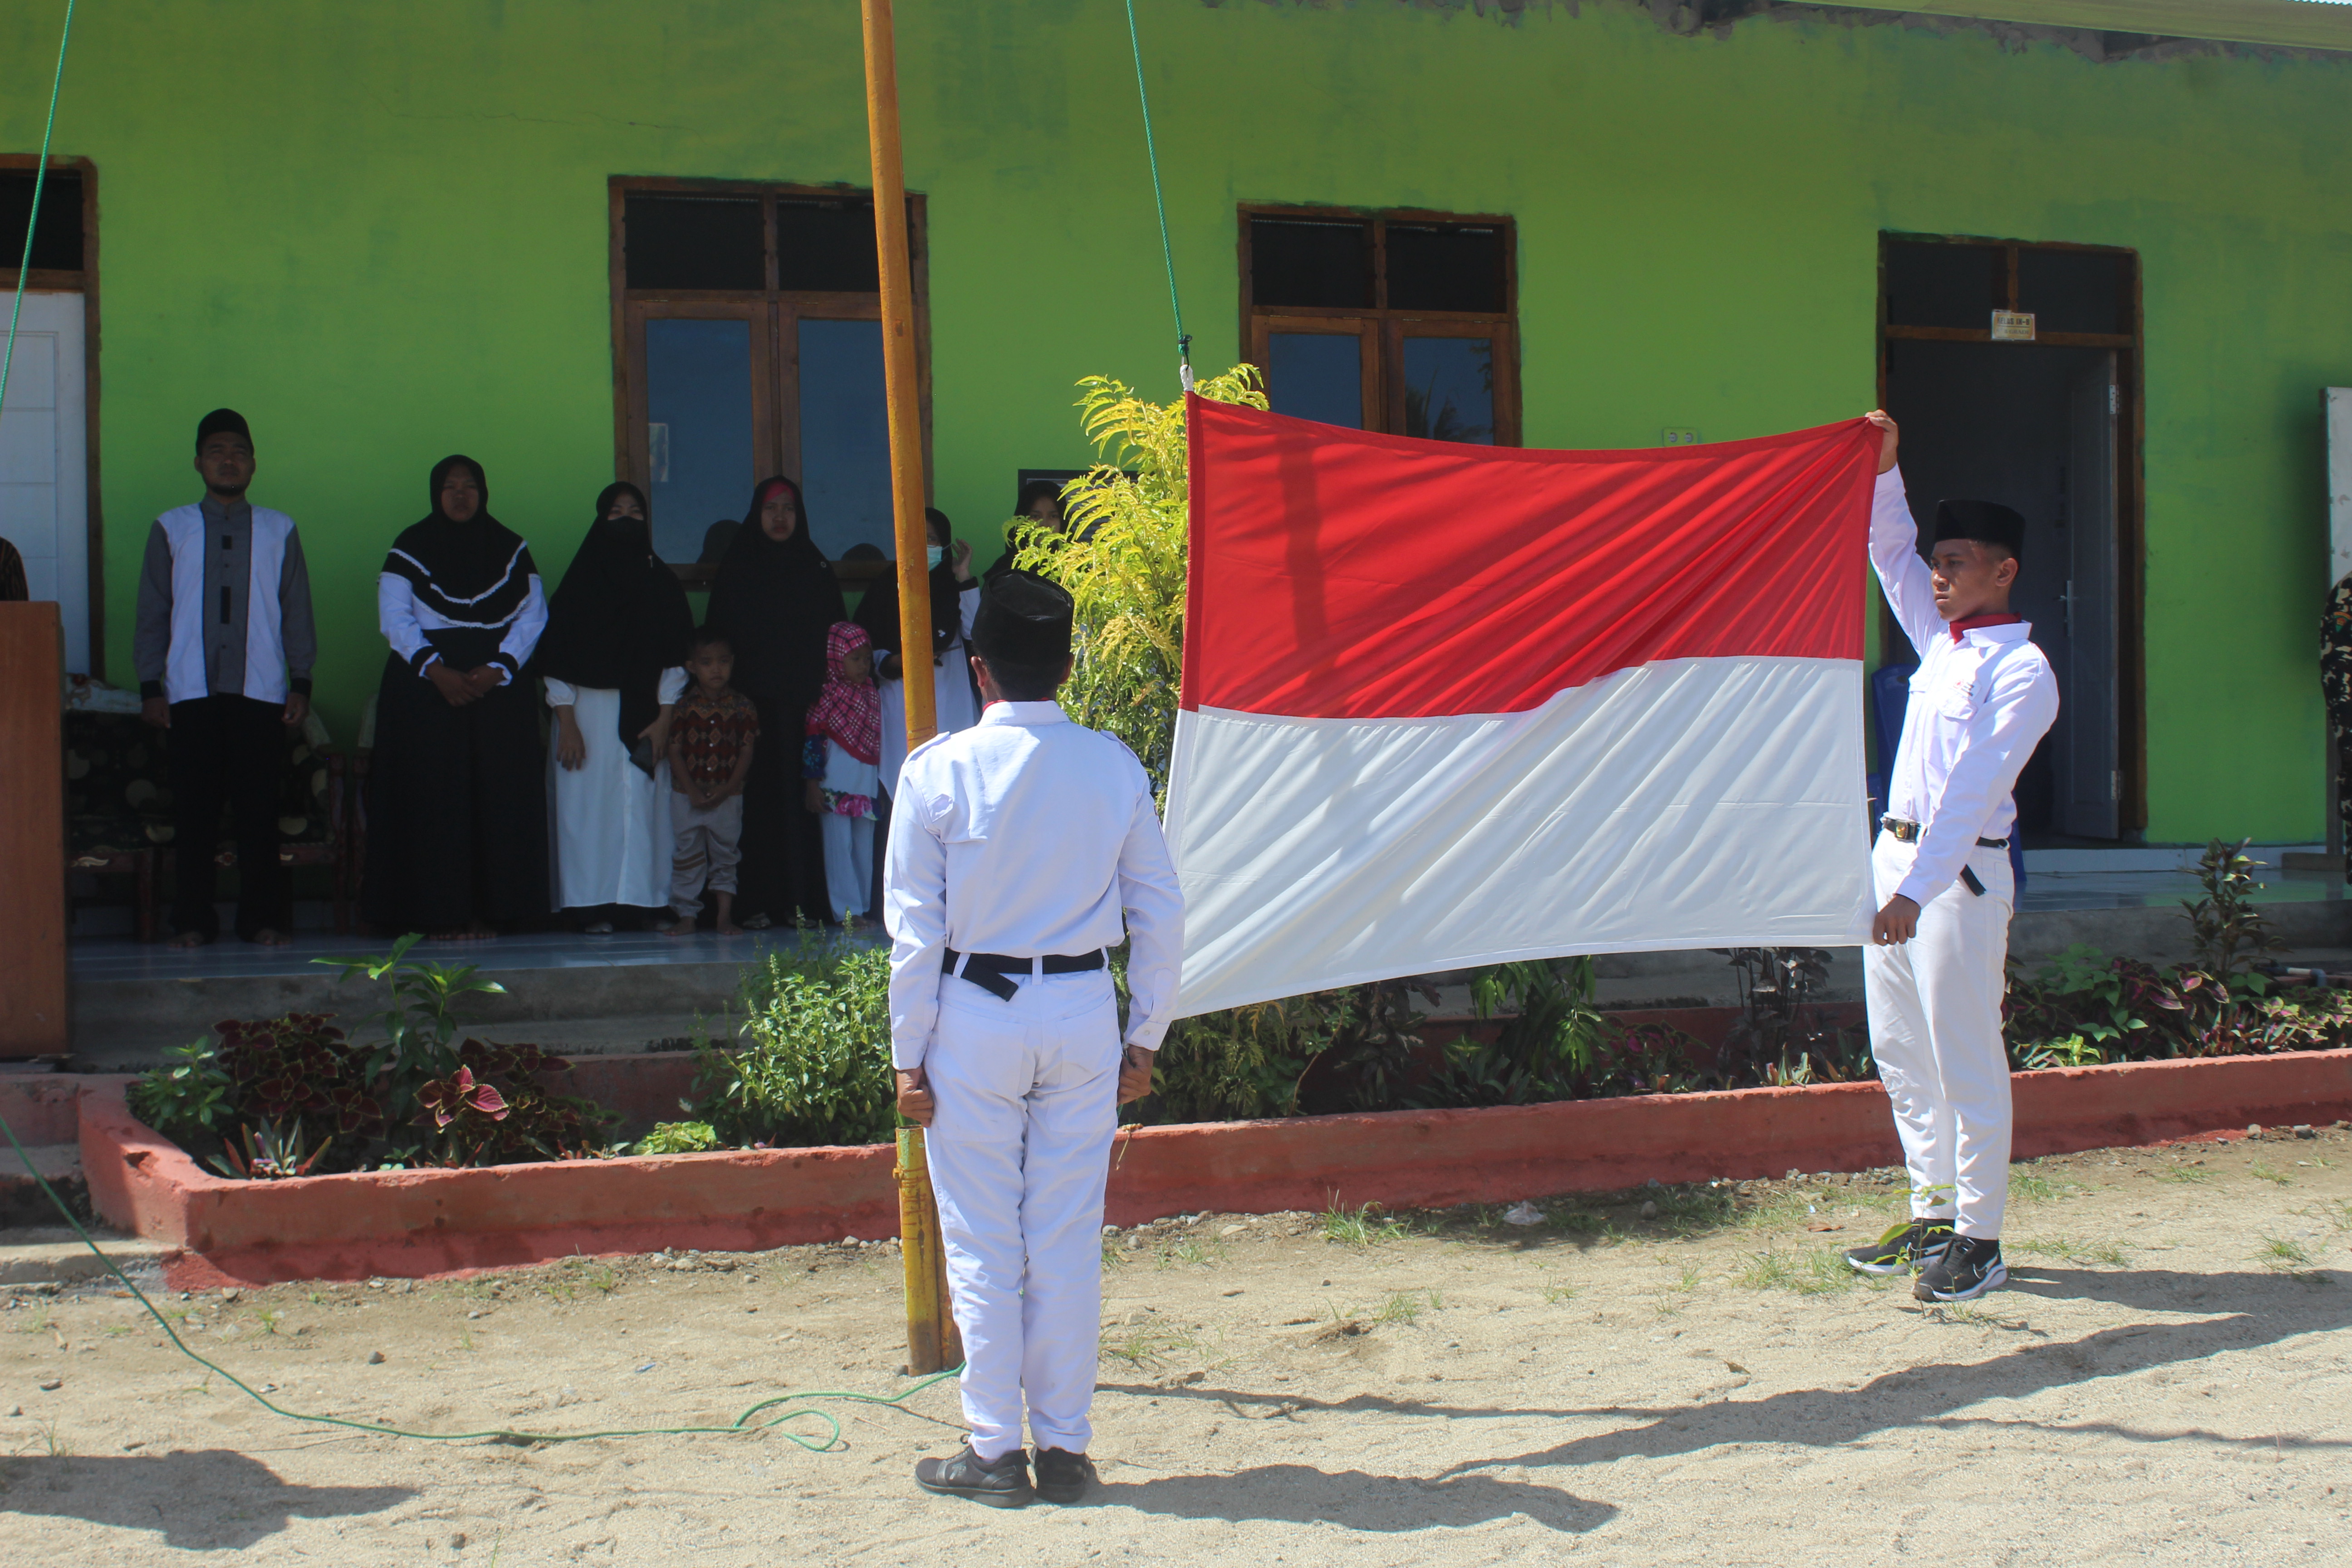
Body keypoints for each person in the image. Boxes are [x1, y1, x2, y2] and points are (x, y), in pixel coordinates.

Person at [885, 569, 1183, 1509]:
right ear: (1067, 666)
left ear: (977, 668)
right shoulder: (1112, 765)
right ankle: (1063, 1450)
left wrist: (905, 1055)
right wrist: (1146, 1033)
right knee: (1064, 1238)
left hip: (975, 1012)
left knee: (983, 1240)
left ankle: (992, 1450)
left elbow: (914, 934)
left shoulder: (937, 770)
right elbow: (1160, 909)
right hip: (1085, 1007)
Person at [1844, 410, 2058, 1303]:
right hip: (1894, 863)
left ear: (2002, 571)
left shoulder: (2022, 670)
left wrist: (1916, 890)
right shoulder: (1940, 644)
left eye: (1956, 563)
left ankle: (1980, 1237)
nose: (1936, 577)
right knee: (1901, 1051)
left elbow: (1972, 790)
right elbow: (1886, 549)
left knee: (1964, 1055)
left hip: (1958, 879)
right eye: (1937, 563)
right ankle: (1932, 1215)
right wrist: (1883, 469)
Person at [131, 408, 317, 946]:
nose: (228, 460)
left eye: (238, 452)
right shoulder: (172, 528)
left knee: (260, 810)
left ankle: (261, 919)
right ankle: (192, 920)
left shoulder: (280, 529)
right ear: (198, 463)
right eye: (216, 451)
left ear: (254, 463)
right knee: (195, 812)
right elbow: (153, 611)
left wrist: (301, 682)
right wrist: (151, 687)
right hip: (189, 690)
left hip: (261, 690)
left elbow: (297, 610)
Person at [362, 455, 549, 941]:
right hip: (424, 691)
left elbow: (533, 616)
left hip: (497, 693)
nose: (460, 495)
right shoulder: (410, 547)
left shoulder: (511, 549)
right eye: (450, 487)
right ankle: (434, 913)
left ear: (484, 493)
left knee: (496, 798)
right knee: (432, 798)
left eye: (469, 486)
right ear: (435, 494)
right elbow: (394, 616)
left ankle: (495, 911)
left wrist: (500, 668)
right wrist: (435, 669)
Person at [539, 481, 694, 930]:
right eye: (615, 512)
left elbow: (675, 656)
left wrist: (664, 719)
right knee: (586, 810)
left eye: (635, 512)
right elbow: (555, 657)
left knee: (643, 809)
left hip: (646, 712)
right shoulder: (579, 584)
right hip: (585, 714)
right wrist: (567, 720)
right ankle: (588, 905)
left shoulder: (660, 583)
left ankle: (643, 904)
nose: (626, 519)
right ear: (600, 520)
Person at [704, 476, 844, 929]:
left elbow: (835, 640)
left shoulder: (814, 567)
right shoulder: (739, 567)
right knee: (757, 806)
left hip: (805, 711)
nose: (780, 517)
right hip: (749, 712)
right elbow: (720, 639)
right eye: (771, 509)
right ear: (756, 514)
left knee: (802, 802)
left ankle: (802, 903)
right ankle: (755, 904)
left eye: (788, 509)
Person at [855, 506, 981, 803]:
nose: (923, 545)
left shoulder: (953, 587)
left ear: (945, 545)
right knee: (905, 789)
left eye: (932, 539)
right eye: (915, 537)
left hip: (951, 702)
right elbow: (863, 650)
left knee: (956, 790)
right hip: (899, 702)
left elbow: (975, 633)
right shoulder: (885, 587)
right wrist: (894, 662)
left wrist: (963, 576)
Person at [664, 626, 760, 936]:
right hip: (686, 795)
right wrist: (692, 791)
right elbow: (674, 751)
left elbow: (747, 751)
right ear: (692, 667)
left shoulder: (743, 706)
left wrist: (728, 789)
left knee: (726, 855)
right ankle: (687, 916)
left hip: (728, 797)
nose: (716, 669)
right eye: (706, 663)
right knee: (687, 856)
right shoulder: (682, 706)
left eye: (723, 661)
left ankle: (724, 917)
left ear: (732, 662)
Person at [803, 622, 884, 925]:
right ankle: (847, 913)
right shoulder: (827, 695)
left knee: (863, 848)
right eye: (855, 658)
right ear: (836, 657)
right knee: (840, 848)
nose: (863, 666)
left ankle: (862, 908)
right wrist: (812, 784)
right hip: (834, 784)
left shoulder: (871, 694)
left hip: (866, 784)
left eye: (867, 658)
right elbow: (813, 741)